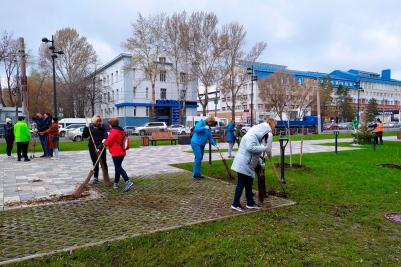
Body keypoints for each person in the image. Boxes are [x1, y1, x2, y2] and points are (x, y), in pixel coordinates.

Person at [230, 118, 276, 212]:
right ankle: (235, 204)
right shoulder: (252, 135)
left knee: (249, 184)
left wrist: (260, 162)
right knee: (241, 184)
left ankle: (250, 203)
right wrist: (264, 148)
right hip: (244, 163)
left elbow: (255, 152)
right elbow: (250, 148)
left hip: (248, 164)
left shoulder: (256, 136)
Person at [102, 117, 133, 191]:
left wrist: (103, 142)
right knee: (117, 167)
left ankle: (127, 181)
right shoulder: (120, 130)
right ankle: (116, 183)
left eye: (109, 124)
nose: (109, 125)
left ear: (111, 124)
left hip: (117, 152)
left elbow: (109, 141)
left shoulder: (114, 131)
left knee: (118, 167)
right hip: (121, 152)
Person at [82, 115, 109, 184]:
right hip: (92, 147)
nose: (99, 122)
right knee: (95, 162)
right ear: (94, 121)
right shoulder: (90, 127)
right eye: (97, 121)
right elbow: (84, 136)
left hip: (101, 148)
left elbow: (105, 137)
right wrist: (85, 127)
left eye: (100, 121)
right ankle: (95, 177)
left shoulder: (103, 127)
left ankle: (106, 177)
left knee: (103, 162)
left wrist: (100, 146)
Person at [190, 115, 217, 180]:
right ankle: (195, 174)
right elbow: (196, 129)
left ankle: (198, 173)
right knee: (198, 158)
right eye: (211, 122)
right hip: (196, 142)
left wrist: (215, 144)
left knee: (199, 158)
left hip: (202, 144)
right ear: (208, 121)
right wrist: (204, 127)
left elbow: (210, 137)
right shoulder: (202, 123)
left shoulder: (209, 128)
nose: (211, 124)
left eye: (212, 123)